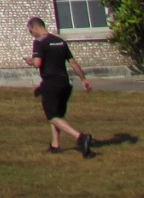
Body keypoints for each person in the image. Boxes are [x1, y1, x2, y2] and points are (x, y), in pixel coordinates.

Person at [24, 16, 94, 156]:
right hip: (65, 83)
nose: (32, 34)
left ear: (35, 28)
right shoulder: (60, 41)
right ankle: (55, 145)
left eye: (31, 32)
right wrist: (83, 79)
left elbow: (37, 63)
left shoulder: (39, 42)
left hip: (51, 83)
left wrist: (30, 61)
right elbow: (73, 62)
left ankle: (80, 137)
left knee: (51, 116)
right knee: (57, 115)